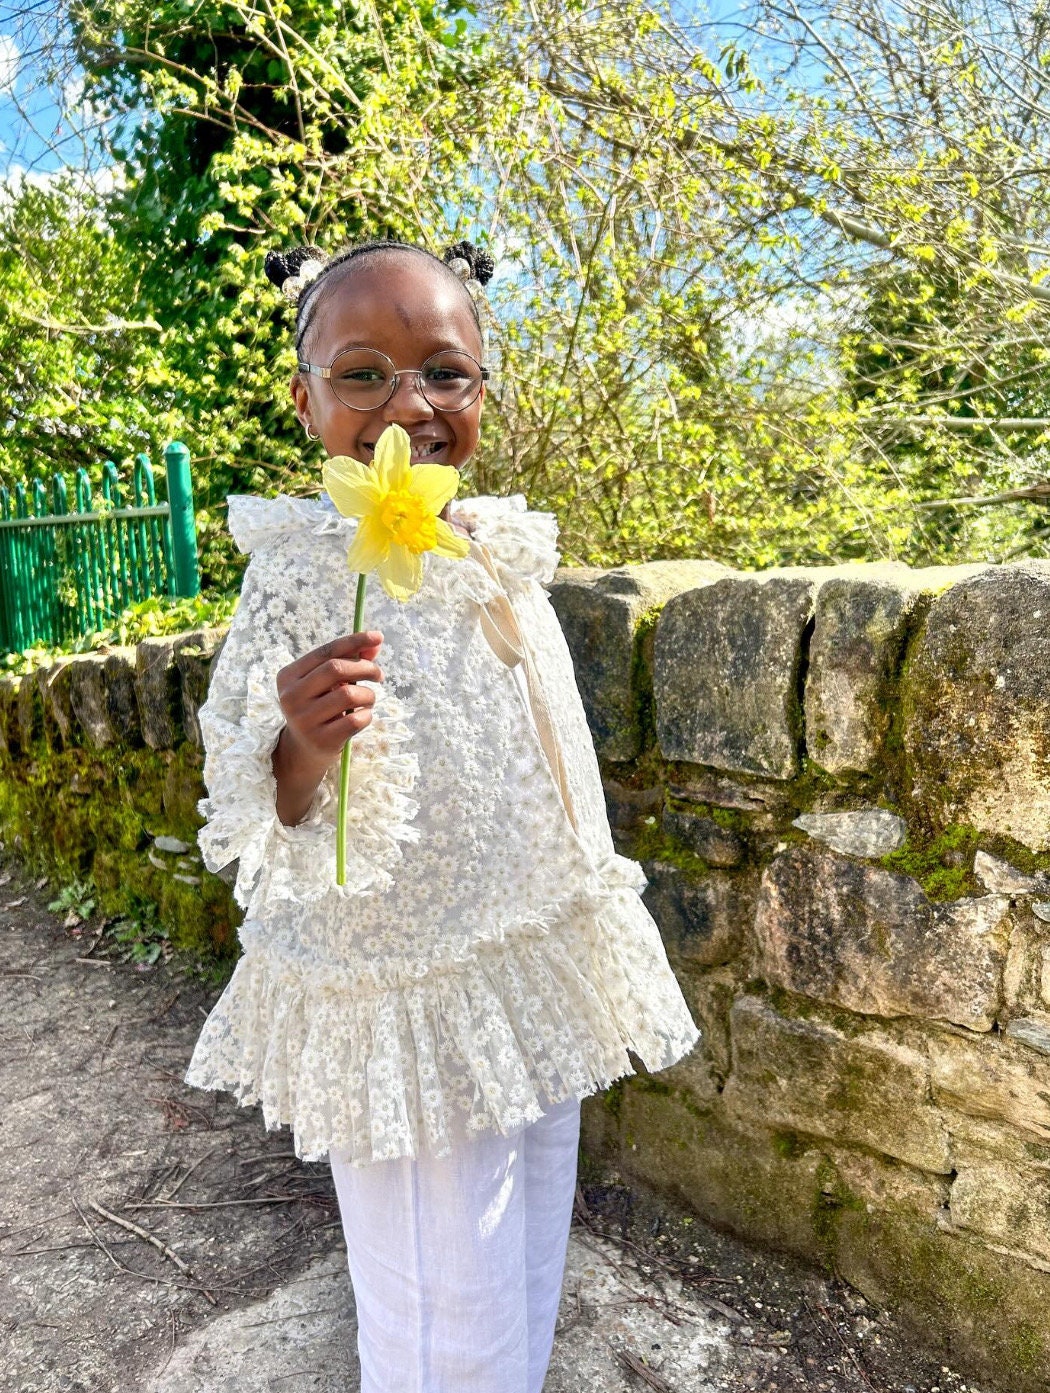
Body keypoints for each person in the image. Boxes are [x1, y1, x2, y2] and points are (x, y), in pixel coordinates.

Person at [184, 237, 700, 1393]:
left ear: (483, 388)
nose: (408, 406)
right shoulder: (304, 567)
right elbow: (258, 796)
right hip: (403, 985)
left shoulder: (495, 549)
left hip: (522, 956)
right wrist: (306, 738)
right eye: (362, 374)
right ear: (305, 398)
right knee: (440, 1293)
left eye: (445, 373)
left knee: (523, 1243)